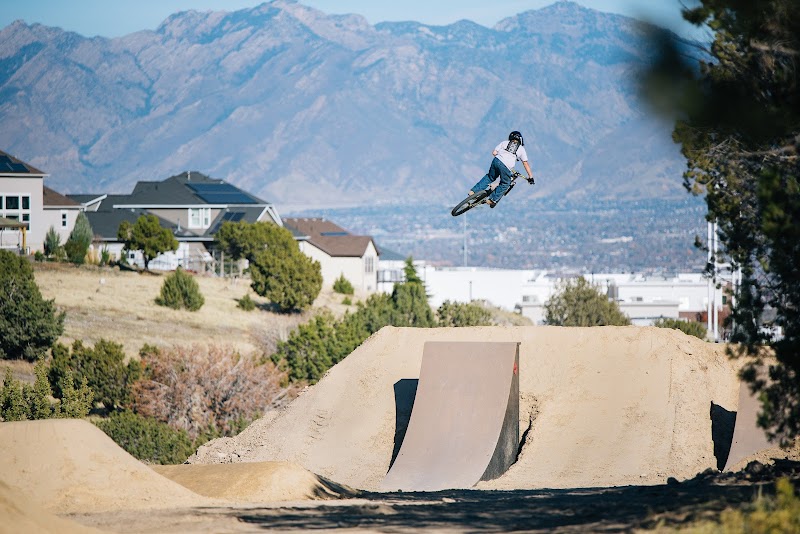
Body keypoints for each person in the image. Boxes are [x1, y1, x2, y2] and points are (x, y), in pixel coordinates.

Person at [469, 131, 534, 208]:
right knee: (505, 183)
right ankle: (492, 200)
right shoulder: (521, 149)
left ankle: (473, 192)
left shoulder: (504, 142)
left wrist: (501, 157)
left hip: (496, 160)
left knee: (490, 177)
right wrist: (531, 177)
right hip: (506, 165)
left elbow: (494, 152)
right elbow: (525, 163)